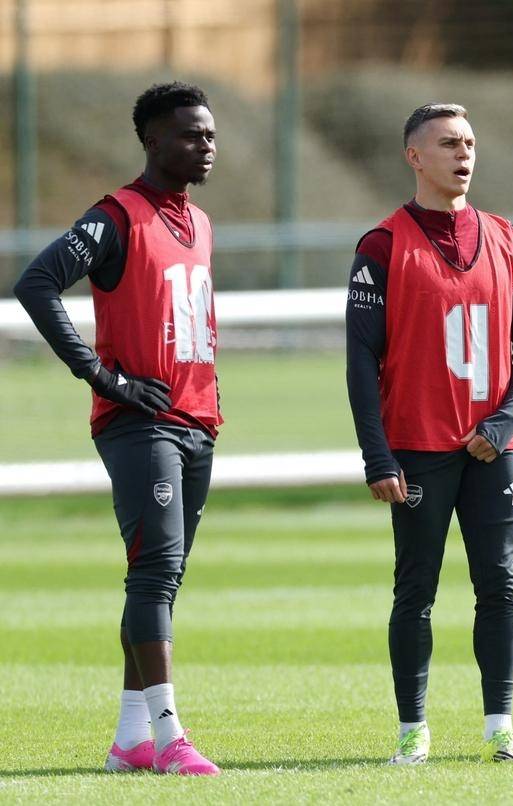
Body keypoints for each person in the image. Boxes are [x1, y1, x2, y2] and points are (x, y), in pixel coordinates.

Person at [12, 82, 222, 775]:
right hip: (141, 426)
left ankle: (131, 739)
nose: (206, 145)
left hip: (196, 420)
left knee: (161, 576)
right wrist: (103, 378)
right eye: (191, 134)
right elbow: (37, 283)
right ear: (154, 141)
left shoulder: (201, 222)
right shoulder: (116, 216)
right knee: (155, 572)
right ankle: (170, 736)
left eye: (210, 134)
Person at [345, 102, 513, 765]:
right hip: (417, 449)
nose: (464, 154)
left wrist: (504, 421)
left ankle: (500, 729)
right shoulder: (381, 247)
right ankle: (413, 731)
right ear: (415, 157)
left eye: (469, 143)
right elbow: (360, 360)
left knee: (500, 586)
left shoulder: (507, 239)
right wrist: (377, 455)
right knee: (416, 591)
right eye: (448, 144)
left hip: (495, 449)